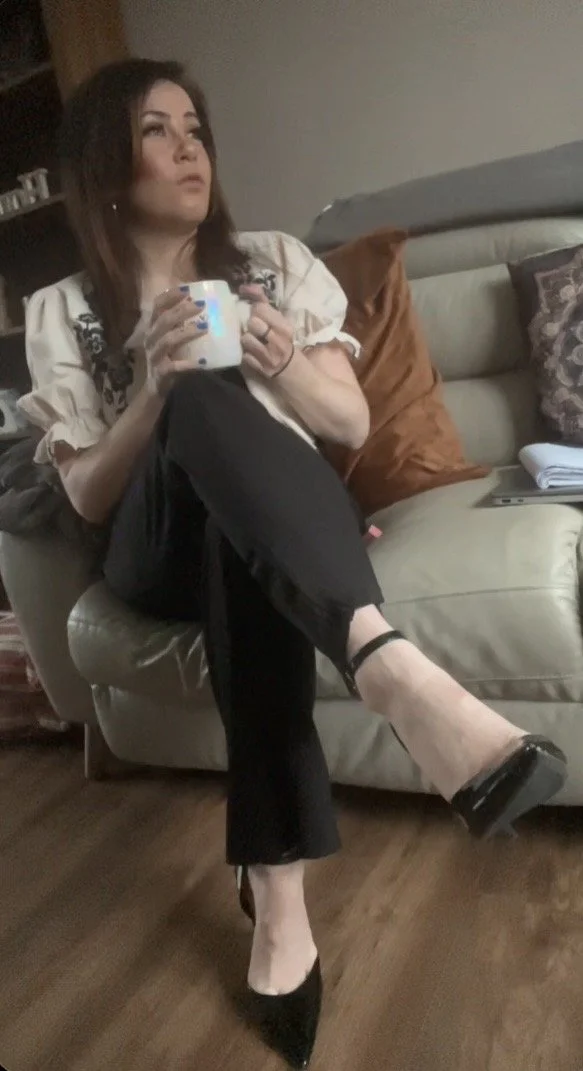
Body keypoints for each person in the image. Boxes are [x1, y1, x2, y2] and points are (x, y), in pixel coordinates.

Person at [19, 58, 567, 1070]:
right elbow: (88, 495)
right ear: (103, 162)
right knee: (194, 389)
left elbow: (348, 424)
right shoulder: (61, 309)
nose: (190, 148)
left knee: (246, 538)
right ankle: (389, 665)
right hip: (154, 544)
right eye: (156, 130)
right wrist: (153, 386)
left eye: (196, 128)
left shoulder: (273, 261)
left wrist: (280, 363)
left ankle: (276, 893)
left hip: (278, 524)